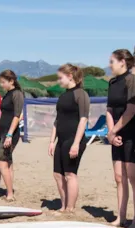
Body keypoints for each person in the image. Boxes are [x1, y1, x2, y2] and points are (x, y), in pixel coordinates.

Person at [104, 49, 135, 228]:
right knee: (119, 177)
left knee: (133, 177)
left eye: (112, 61)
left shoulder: (133, 80)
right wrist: (111, 133)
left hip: (132, 133)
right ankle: (121, 217)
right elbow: (109, 110)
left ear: (122, 62)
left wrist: (113, 131)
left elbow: (131, 110)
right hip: (116, 134)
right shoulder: (112, 82)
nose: (109, 65)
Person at [50, 64, 90, 214]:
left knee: (70, 174)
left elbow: (83, 119)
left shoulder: (81, 94)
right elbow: (57, 120)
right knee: (57, 174)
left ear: (70, 76)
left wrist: (76, 143)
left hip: (74, 139)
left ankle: (70, 208)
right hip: (61, 140)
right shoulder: (62, 96)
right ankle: (63, 205)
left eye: (60, 78)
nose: (58, 81)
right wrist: (51, 141)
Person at [0, 70, 25, 200]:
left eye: (3, 82)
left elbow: (17, 116)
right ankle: (9, 190)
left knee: (2, 163)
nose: (1, 85)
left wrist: (9, 135)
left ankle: (10, 194)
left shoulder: (17, 94)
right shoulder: (7, 94)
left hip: (10, 132)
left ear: (11, 81)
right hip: (2, 130)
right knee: (8, 162)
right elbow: (2, 116)